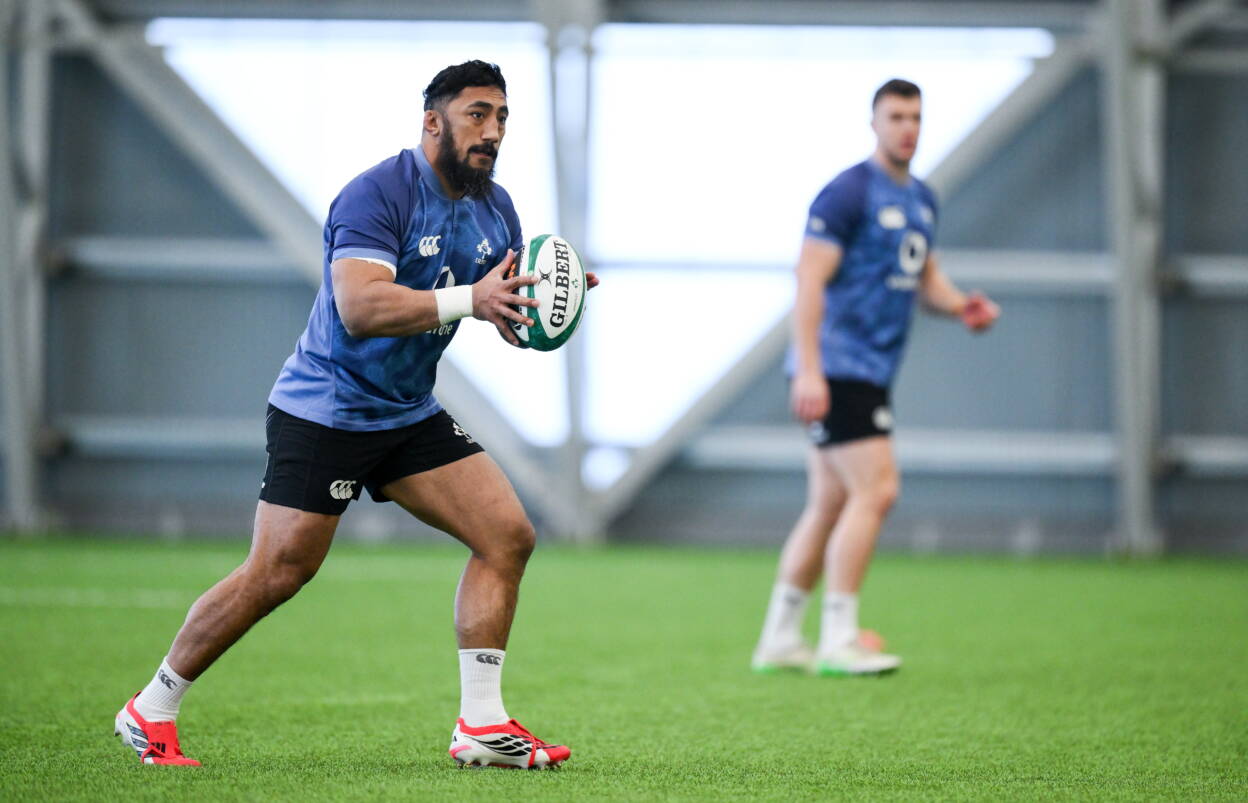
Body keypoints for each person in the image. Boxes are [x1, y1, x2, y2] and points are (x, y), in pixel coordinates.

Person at [114, 60, 595, 769]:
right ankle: (149, 708)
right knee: (278, 572)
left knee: (506, 536)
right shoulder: (376, 194)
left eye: (501, 117)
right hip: (327, 410)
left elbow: (499, 305)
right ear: (433, 122)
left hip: (406, 413)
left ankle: (482, 725)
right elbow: (361, 307)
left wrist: (543, 302)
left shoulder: (497, 210)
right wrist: (472, 299)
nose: (492, 131)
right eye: (477, 114)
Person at [751, 78, 999, 676]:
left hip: (869, 370)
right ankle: (839, 638)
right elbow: (808, 280)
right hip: (838, 368)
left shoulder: (923, 199)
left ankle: (780, 638)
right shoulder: (848, 193)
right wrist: (810, 371)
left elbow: (924, 277)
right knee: (878, 490)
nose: (907, 128)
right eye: (896, 117)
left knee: (830, 502)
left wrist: (961, 305)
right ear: (874, 123)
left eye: (915, 117)